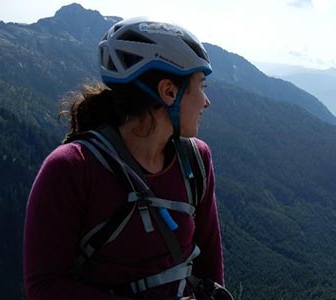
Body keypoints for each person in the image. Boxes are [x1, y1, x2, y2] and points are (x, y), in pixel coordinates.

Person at [23, 17, 229, 300]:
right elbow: (45, 287)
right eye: (201, 85)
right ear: (169, 92)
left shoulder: (196, 159)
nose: (206, 101)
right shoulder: (71, 169)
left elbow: (210, 272)